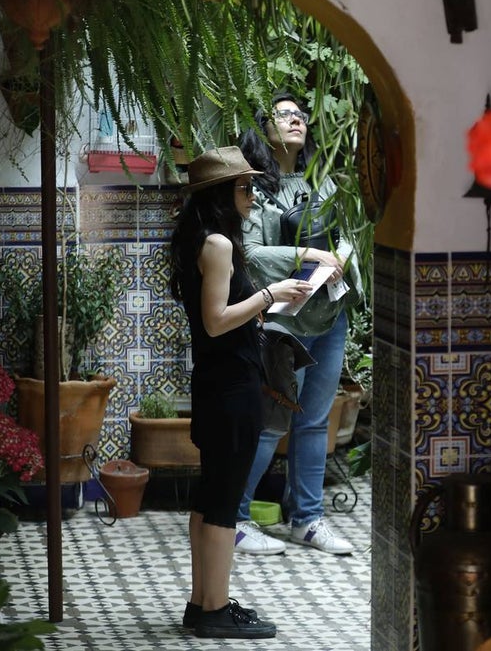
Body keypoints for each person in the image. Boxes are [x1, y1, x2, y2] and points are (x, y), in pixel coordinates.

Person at [168, 146, 314, 639]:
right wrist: (271, 296)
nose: (253, 194)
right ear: (219, 195)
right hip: (230, 386)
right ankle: (215, 609)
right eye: (244, 187)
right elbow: (215, 322)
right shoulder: (218, 245)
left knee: (211, 498)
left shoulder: (207, 241)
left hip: (219, 381)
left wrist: (265, 305)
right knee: (224, 502)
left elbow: (221, 317)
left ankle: (204, 603)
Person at [232, 92, 362, 556]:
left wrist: (342, 258)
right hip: (283, 322)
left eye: (301, 115)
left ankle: (307, 519)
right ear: (262, 127)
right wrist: (306, 254)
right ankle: (236, 518)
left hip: (328, 314)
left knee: (315, 421)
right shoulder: (252, 188)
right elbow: (246, 253)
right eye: (284, 114)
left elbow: (345, 236)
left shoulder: (321, 182)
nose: (296, 121)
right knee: (272, 421)